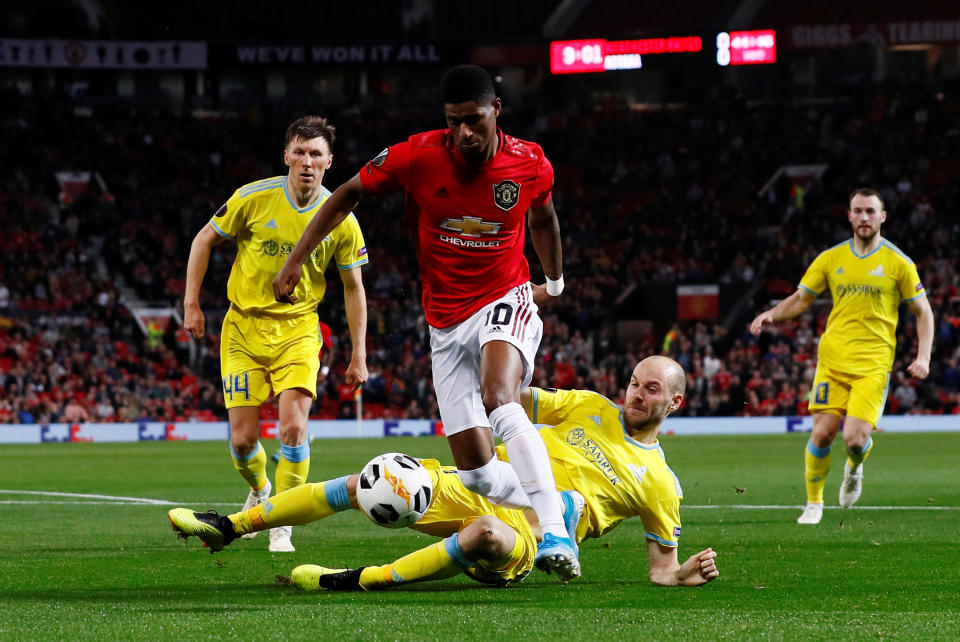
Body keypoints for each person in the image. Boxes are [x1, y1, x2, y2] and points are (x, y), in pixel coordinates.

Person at [271, 66, 578, 578]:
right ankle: (558, 499)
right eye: (454, 122)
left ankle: (554, 532)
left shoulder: (529, 162)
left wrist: (556, 279)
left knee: (499, 396)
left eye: (475, 120)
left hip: (506, 295)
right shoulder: (417, 154)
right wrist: (298, 257)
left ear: (495, 111)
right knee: (479, 475)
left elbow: (543, 217)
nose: (465, 134)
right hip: (444, 319)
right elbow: (346, 194)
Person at [169, 356, 719, 590]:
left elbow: (659, 567)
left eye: (651, 389)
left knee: (483, 535)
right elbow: (515, 396)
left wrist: (679, 574)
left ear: (674, 402)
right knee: (371, 481)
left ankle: (359, 580)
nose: (635, 394)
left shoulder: (660, 482)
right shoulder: (590, 405)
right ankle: (230, 526)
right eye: (634, 383)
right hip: (482, 481)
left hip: (531, 532)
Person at [183, 116, 370, 552]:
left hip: (298, 332)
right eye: (300, 152)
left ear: (329, 162)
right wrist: (191, 303)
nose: (307, 161)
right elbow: (202, 241)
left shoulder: (340, 217)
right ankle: (261, 489)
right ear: (286, 155)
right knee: (243, 440)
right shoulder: (254, 197)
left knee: (291, 427)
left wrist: (359, 353)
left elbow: (354, 287)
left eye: (315, 154)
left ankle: (280, 520)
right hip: (242, 329)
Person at [749, 187, 933, 525]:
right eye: (858, 211)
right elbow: (801, 298)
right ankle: (814, 503)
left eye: (870, 211)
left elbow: (923, 311)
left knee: (854, 439)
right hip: (832, 361)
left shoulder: (899, 263)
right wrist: (772, 313)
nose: (864, 217)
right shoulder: (830, 259)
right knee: (821, 434)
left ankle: (855, 467)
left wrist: (924, 357)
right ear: (849, 216)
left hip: (873, 366)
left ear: (883, 217)